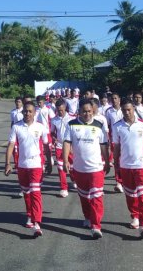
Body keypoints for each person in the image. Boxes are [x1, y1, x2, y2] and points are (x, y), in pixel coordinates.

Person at [62, 99, 110, 239]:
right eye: (84, 111)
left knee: (96, 197)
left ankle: (96, 226)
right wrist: (65, 160)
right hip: (79, 168)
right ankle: (88, 217)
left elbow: (104, 145)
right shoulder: (71, 125)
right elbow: (67, 142)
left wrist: (107, 161)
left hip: (96, 168)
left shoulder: (99, 125)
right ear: (79, 111)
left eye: (89, 111)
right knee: (84, 196)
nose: (87, 114)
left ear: (93, 111)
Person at [5, 101, 49, 237]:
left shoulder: (40, 127)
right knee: (26, 192)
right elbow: (11, 145)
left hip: (36, 164)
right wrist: (8, 163)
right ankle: (29, 215)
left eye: (30, 111)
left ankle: (37, 223)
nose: (28, 113)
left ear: (35, 113)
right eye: (25, 111)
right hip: (22, 165)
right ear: (22, 112)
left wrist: (49, 162)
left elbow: (46, 146)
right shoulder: (16, 127)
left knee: (35, 193)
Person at [112, 100, 143, 239]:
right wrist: (116, 163)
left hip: (140, 166)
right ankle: (134, 216)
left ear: (133, 109)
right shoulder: (117, 127)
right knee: (130, 195)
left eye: (129, 110)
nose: (127, 112)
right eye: (124, 110)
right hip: (125, 166)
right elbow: (116, 147)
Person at [50, 98, 74, 197]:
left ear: (65, 108)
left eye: (62, 110)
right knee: (60, 167)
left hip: (71, 146)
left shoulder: (72, 119)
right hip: (60, 146)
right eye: (58, 110)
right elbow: (52, 132)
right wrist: (54, 138)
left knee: (72, 167)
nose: (60, 112)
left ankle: (74, 179)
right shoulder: (54, 120)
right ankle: (64, 188)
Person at [105, 93, 125, 192]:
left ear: (119, 99)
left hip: (125, 139)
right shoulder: (109, 111)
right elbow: (107, 126)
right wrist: (108, 139)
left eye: (115, 98)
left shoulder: (125, 110)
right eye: (112, 99)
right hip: (114, 139)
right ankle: (118, 182)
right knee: (117, 160)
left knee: (124, 160)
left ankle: (125, 178)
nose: (114, 100)